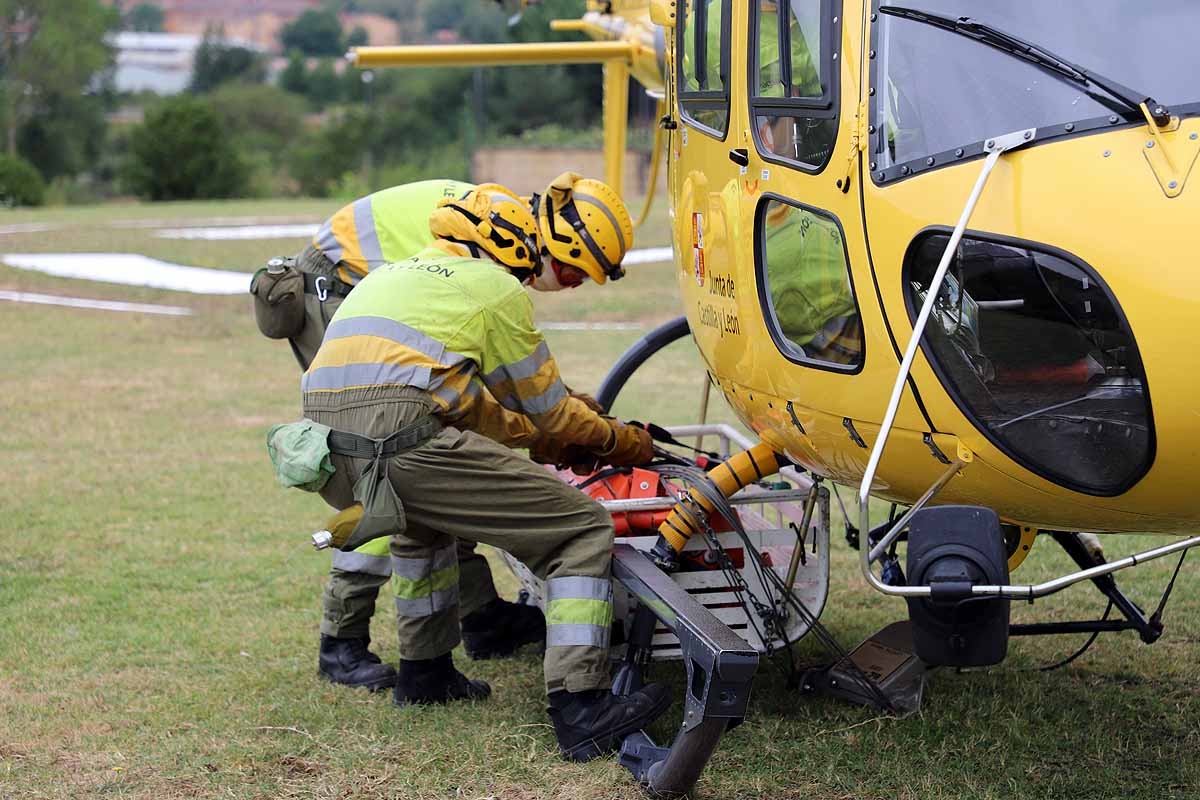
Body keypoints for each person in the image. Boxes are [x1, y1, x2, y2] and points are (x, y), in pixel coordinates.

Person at [300, 187, 671, 761]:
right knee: (580, 530)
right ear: (513, 244)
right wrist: (622, 441)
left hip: (329, 446)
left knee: (422, 521)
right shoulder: (494, 289)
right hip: (402, 437)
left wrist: (538, 438)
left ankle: (424, 675)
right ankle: (581, 707)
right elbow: (547, 409)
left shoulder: (397, 276)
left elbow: (473, 408)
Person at [252, 174, 635, 692]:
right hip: (336, 289)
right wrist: (582, 431)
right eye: (572, 274)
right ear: (555, 243)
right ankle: (343, 640)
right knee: (391, 478)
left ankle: (470, 626)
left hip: (354, 307)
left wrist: (541, 423)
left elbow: (468, 395)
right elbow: (483, 403)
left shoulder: (487, 225)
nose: (569, 286)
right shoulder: (476, 258)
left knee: (425, 478)